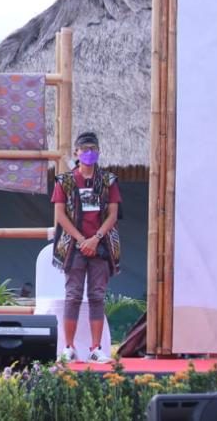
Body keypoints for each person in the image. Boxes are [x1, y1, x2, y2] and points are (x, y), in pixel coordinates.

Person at [52, 130, 121, 363]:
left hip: (101, 246)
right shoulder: (65, 181)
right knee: (72, 296)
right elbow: (60, 215)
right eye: (85, 149)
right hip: (74, 247)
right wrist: (82, 240)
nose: (89, 153)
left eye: (93, 149)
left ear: (98, 153)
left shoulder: (108, 180)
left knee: (97, 296)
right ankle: (69, 347)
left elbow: (113, 214)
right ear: (76, 153)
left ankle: (96, 348)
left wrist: (96, 238)